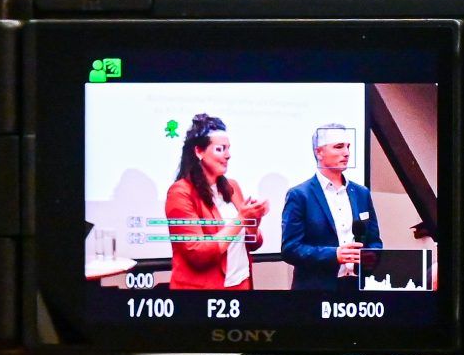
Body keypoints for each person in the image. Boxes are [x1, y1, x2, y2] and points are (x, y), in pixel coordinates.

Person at [163, 113, 264, 290]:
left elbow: (253, 243)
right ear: (199, 152)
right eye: (220, 149)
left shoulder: (232, 187)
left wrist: (252, 223)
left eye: (228, 149)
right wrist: (241, 219)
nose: (228, 155)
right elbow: (198, 253)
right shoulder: (180, 193)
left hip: (241, 283)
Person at [280, 122, 382, 288]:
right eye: (339, 147)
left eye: (348, 146)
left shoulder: (361, 193)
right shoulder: (299, 195)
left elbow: (375, 241)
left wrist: (371, 255)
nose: (346, 153)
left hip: (358, 287)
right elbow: (290, 249)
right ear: (319, 152)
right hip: (317, 289)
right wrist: (334, 255)